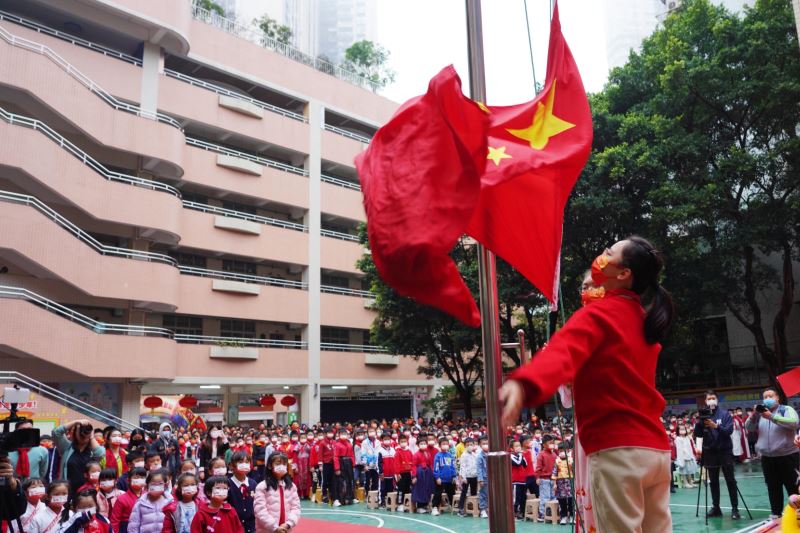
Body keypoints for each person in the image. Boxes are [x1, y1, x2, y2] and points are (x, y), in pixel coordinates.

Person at [500, 236, 676, 532]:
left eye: (609, 253)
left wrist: (524, 383)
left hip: (618, 450)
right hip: (655, 450)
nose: (601, 256)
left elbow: (562, 351)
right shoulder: (641, 320)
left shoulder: (600, 314)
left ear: (623, 275)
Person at [745, 387, 800, 519]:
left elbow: (794, 423)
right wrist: (753, 416)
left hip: (788, 456)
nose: (768, 399)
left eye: (771, 396)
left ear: (777, 398)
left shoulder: (786, 410)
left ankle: (797, 513)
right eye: (765, 397)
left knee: (793, 487)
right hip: (767, 458)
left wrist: (772, 417)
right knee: (773, 487)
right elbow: (748, 428)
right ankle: (776, 513)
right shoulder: (760, 414)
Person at [694, 390, 741, 520]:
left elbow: (729, 431)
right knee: (713, 482)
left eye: (713, 398)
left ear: (717, 399)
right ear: (705, 401)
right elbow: (698, 434)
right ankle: (716, 508)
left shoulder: (725, 414)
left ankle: (735, 509)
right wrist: (700, 421)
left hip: (725, 452)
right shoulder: (704, 416)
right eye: (709, 399)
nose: (711, 400)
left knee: (730, 481)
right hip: (710, 453)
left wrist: (716, 426)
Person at [53, 420, 106, 495]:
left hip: (89, 492)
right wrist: (76, 422)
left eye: (86, 431)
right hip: (68, 491)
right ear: (74, 433)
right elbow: (56, 432)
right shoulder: (67, 447)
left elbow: (101, 454)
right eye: (80, 431)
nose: (83, 434)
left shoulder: (93, 450)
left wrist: (91, 437)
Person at [253, 453, 300, 533]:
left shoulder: (291, 486)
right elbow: (260, 511)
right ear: (269, 466)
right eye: (278, 463)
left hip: (285, 529)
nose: (281, 466)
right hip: (267, 530)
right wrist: (275, 527)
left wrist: (288, 524)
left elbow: (296, 508)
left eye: (284, 464)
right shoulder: (262, 486)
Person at [128, 469, 171, 533]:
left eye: (160, 483)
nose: (157, 486)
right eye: (153, 484)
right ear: (147, 485)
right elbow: (133, 525)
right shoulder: (140, 503)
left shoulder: (170, 502)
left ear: (165, 485)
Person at [110, 466, 147, 533]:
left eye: (142, 478)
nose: (139, 480)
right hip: (126, 528)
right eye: (136, 477)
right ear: (128, 480)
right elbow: (115, 520)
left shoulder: (147, 495)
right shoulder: (121, 499)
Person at [228, 452, 257, 533]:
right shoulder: (227, 484)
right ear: (232, 465)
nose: (244, 465)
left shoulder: (253, 483)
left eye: (247, 462)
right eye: (240, 462)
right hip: (233, 526)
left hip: (251, 527)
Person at [431, 437, 456, 516]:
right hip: (440, 479)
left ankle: (452, 506)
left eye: (446, 444)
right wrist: (437, 477)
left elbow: (452, 466)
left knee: (451, 493)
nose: (445, 445)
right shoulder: (438, 456)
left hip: (449, 479)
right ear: (439, 445)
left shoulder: (449, 455)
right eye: (443, 444)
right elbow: (436, 467)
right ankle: (434, 508)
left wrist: (454, 476)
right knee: (438, 494)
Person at [535, 435, 557, 522]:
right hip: (544, 479)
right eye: (550, 443)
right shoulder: (541, 454)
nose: (552, 444)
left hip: (553, 479)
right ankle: (541, 514)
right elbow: (538, 467)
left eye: (553, 443)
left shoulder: (554, 454)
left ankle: (550, 514)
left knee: (553, 497)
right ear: (544, 445)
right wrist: (537, 477)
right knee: (545, 497)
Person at [410, 436, 434, 513]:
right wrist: (414, 476)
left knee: (427, 488)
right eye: (421, 443)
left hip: (428, 473)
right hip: (419, 473)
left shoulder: (428, 453)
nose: (423, 445)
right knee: (420, 489)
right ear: (418, 445)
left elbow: (430, 464)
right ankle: (419, 506)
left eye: (424, 443)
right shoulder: (416, 455)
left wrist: (432, 472)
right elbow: (413, 466)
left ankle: (425, 505)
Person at [332, 429, 355, 507]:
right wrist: (337, 468)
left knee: (349, 481)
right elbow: (335, 457)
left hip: (349, 463)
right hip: (341, 463)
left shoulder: (349, 443)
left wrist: (353, 464)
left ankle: (348, 498)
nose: (344, 435)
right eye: (342, 433)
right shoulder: (337, 444)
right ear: (339, 434)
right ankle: (339, 499)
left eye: (345, 433)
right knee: (340, 482)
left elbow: (352, 455)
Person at [553, 447, 574, 525]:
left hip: (570, 482)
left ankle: (572, 516)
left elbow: (574, 471)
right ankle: (564, 517)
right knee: (562, 501)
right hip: (560, 483)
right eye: (560, 451)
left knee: (571, 500)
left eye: (563, 450)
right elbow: (554, 473)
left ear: (568, 451)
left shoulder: (571, 460)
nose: (562, 452)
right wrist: (554, 484)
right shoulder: (557, 461)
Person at [393, 434, 413, 513]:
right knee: (401, 490)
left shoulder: (409, 452)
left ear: (407, 442)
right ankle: (400, 504)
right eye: (402, 442)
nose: (403, 443)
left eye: (405, 441)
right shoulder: (398, 453)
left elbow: (412, 462)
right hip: (401, 474)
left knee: (407, 489)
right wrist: (397, 474)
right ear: (399, 443)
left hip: (408, 473)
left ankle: (407, 503)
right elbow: (396, 464)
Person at [509, 440, 528, 520]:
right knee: (516, 498)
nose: (518, 447)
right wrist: (520, 455)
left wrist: (522, 456)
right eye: (516, 446)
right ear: (512, 448)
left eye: (519, 445)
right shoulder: (511, 456)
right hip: (515, 481)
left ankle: (522, 512)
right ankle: (515, 512)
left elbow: (525, 464)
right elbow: (518, 463)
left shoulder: (521, 455)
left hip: (523, 480)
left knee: (523, 498)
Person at [376, 433, 396, 509]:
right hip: (383, 475)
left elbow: (395, 462)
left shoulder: (393, 450)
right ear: (382, 440)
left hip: (391, 475)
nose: (387, 441)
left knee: (390, 488)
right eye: (385, 439)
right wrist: (380, 473)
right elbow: (379, 463)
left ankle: (390, 502)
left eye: (388, 439)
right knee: (382, 489)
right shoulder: (380, 451)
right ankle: (382, 502)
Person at [476, 436, 489, 519]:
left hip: (491, 477)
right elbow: (479, 468)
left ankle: (488, 508)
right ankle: (483, 510)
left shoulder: (491, 454)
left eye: (487, 443)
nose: (485, 445)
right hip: (484, 478)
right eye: (483, 444)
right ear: (480, 445)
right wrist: (480, 479)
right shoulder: (480, 456)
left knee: (490, 494)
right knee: (483, 494)